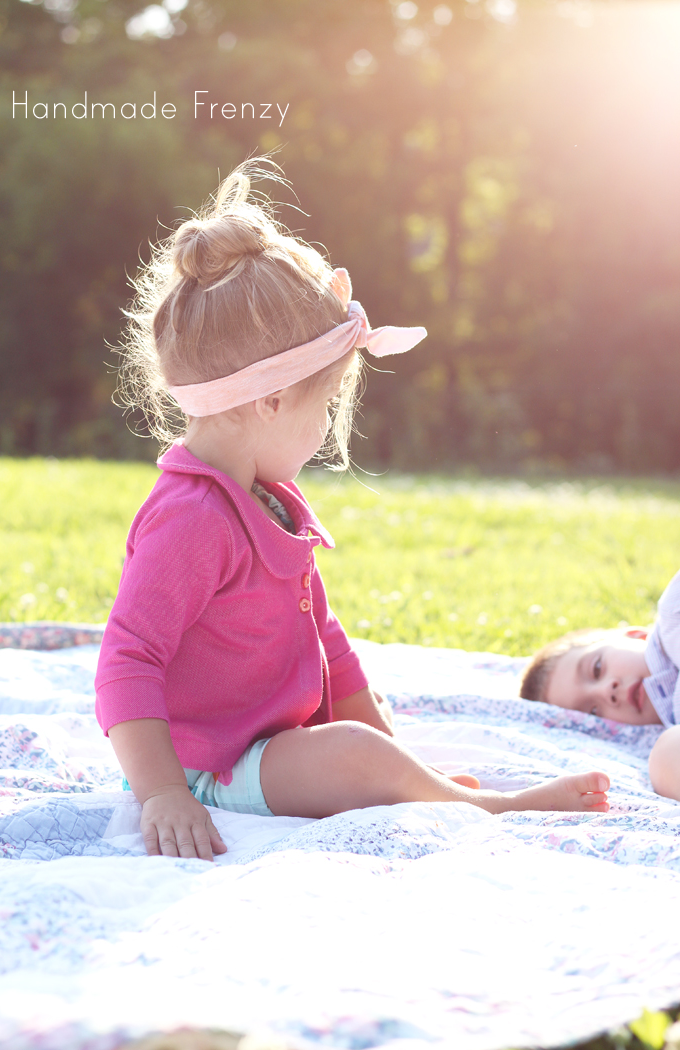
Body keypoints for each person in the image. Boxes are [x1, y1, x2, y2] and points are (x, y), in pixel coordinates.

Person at [95, 158, 610, 862]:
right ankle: (490, 807)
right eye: (325, 407)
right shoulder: (190, 517)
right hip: (203, 766)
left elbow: (329, 648)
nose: (326, 428)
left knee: (361, 747)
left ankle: (425, 787)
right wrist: (162, 793)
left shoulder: (269, 500)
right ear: (269, 402)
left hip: (260, 745)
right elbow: (128, 658)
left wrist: (402, 765)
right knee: (349, 755)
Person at [520, 569, 680, 802]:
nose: (607, 692)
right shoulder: (669, 740)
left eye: (597, 669)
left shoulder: (672, 618)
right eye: (594, 711)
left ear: (635, 634)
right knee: (664, 759)